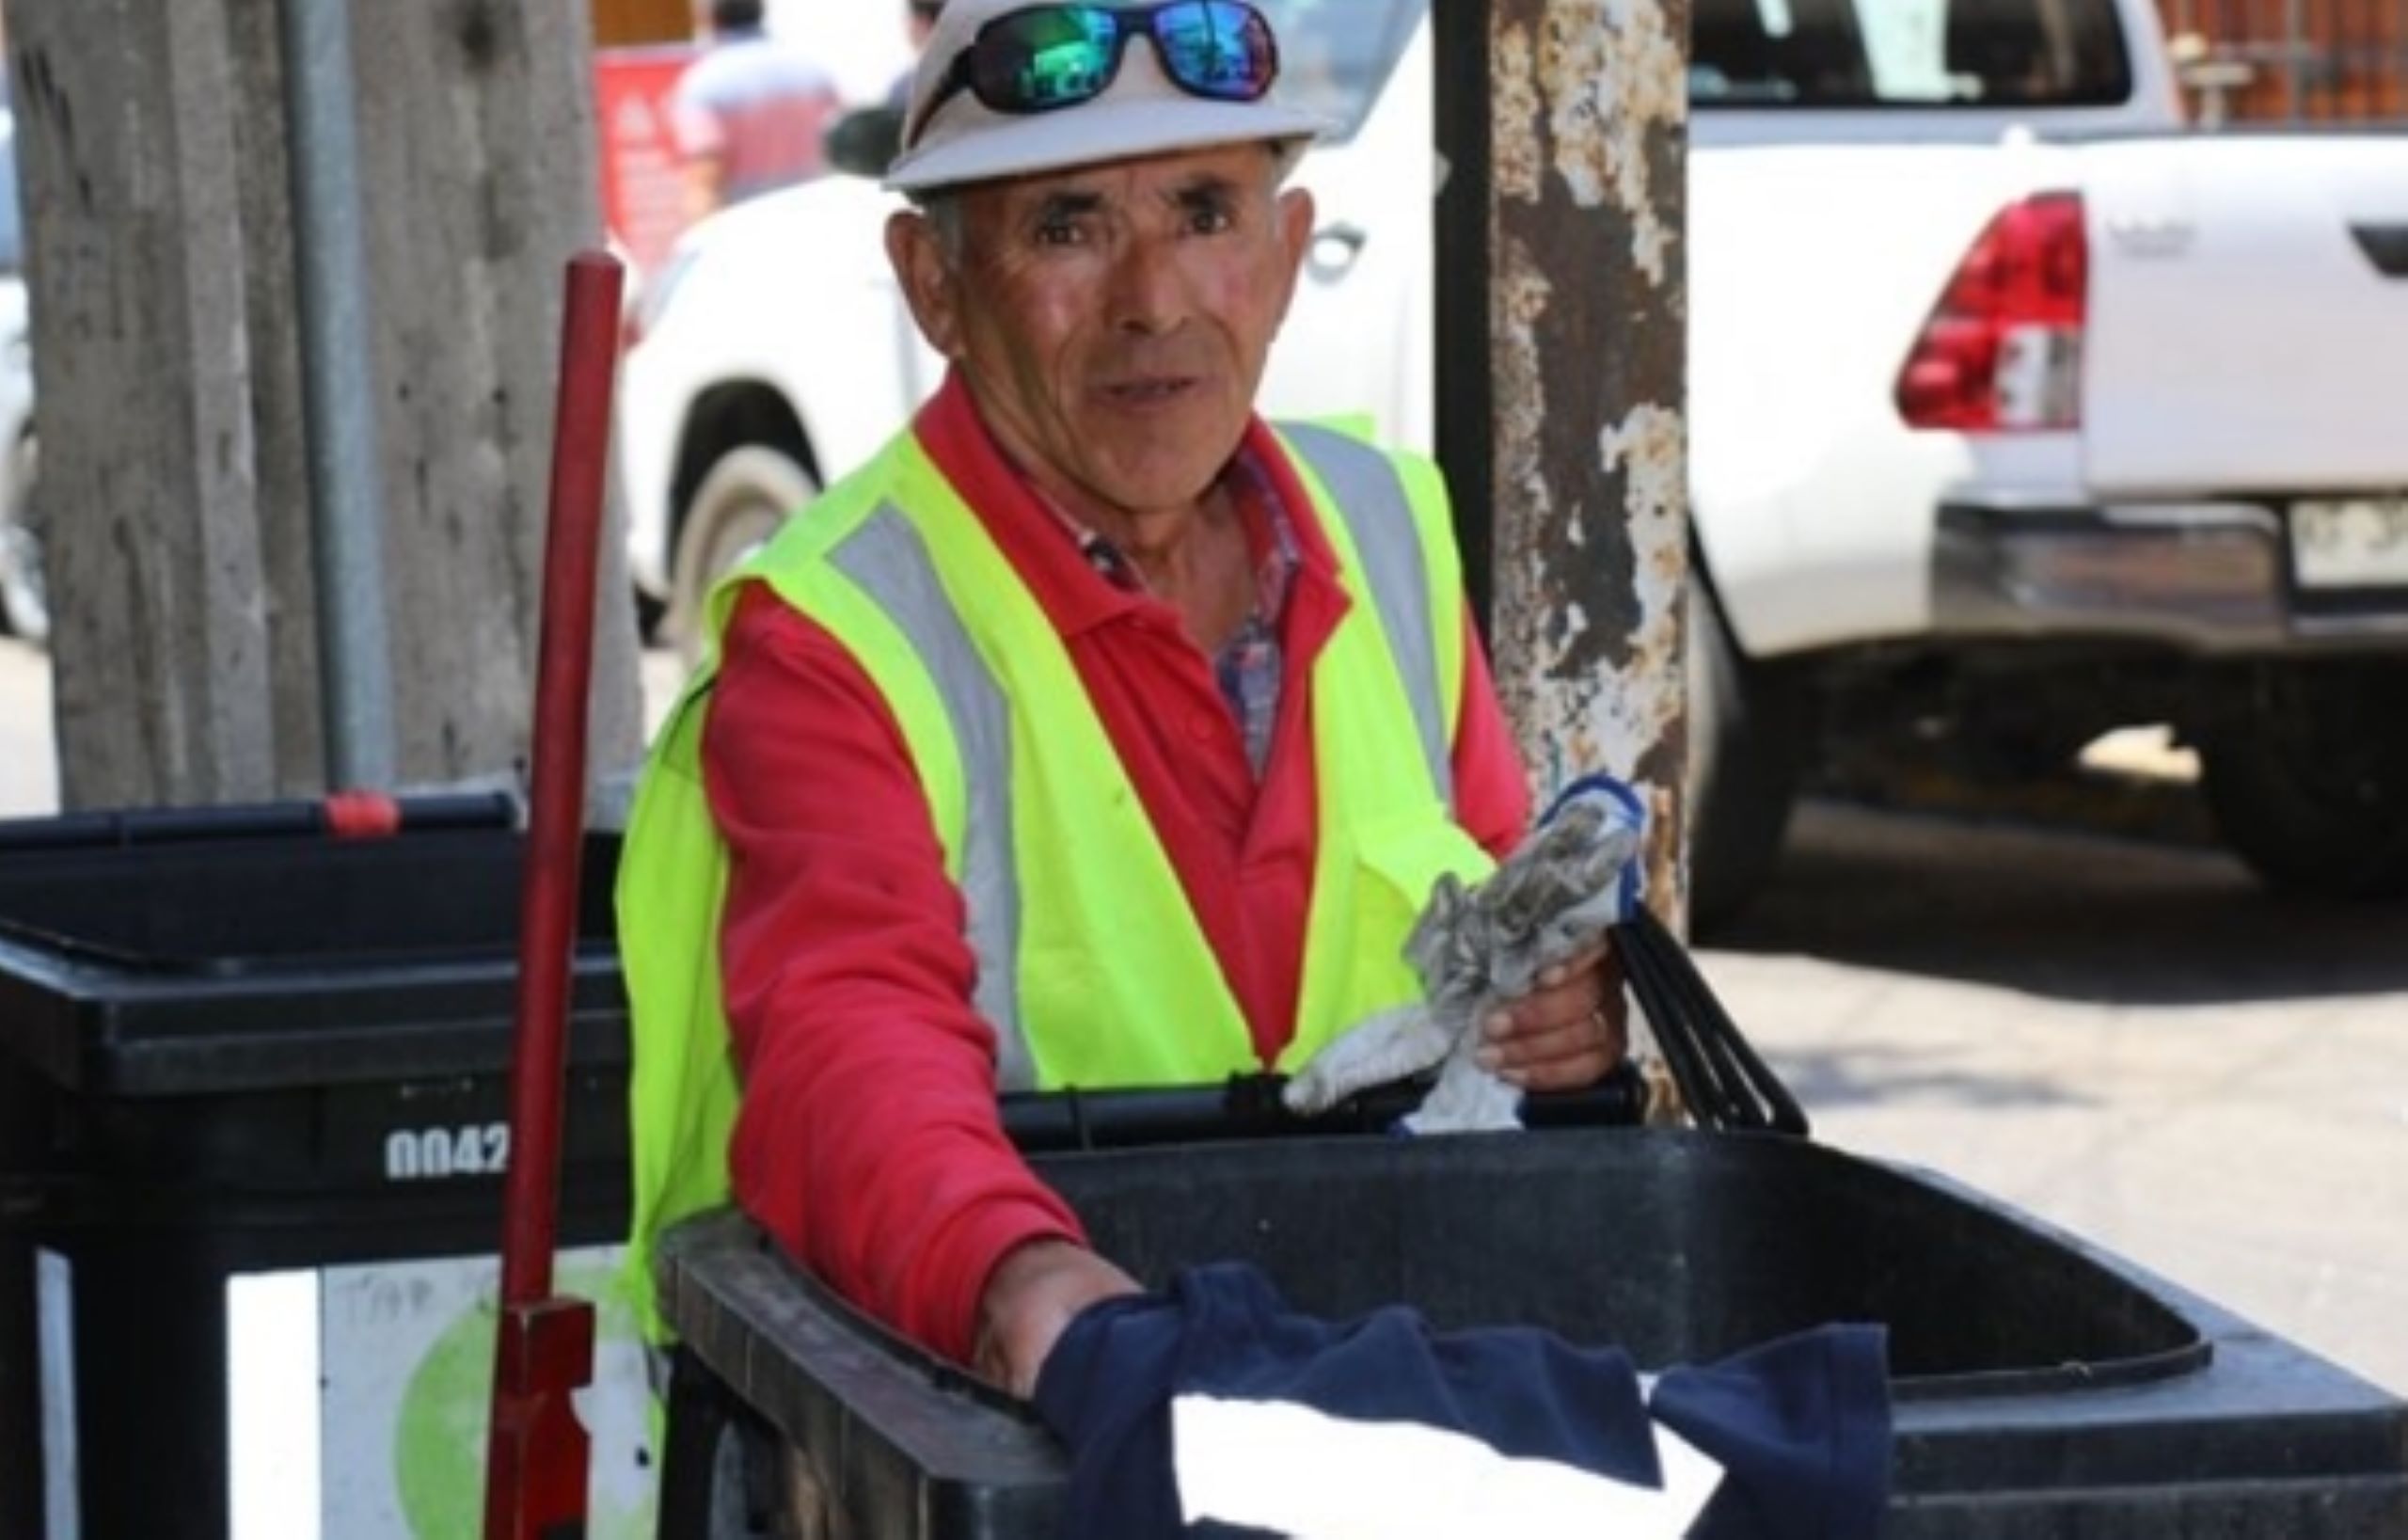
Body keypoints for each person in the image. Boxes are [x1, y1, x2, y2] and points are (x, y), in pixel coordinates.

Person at [620, 0, 1629, 1403]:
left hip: (1364, 1384)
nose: (1153, 298)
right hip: (1001, 1417)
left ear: (1282, 257)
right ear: (934, 283)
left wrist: (1560, 1019)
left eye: (1208, 211)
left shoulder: (1386, 527)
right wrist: (1020, 1283)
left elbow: (1511, 963)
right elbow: (844, 1041)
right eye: (1069, 227)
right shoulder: (834, 634)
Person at [669, 0, 843, 222]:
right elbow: (843, 146)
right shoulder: (812, 70)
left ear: (710, 18)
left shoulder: (703, 83)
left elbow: (706, 177)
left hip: (746, 229)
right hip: (816, 218)